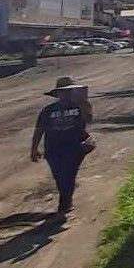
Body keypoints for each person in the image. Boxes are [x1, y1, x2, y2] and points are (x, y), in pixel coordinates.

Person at [30, 75, 93, 215]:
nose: (66, 94)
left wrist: (83, 102)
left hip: (75, 147)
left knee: (69, 175)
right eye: (63, 91)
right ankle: (66, 201)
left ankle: (63, 207)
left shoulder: (81, 106)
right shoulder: (48, 110)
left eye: (69, 91)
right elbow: (39, 129)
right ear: (57, 93)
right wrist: (34, 148)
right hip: (53, 149)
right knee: (59, 177)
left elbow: (88, 120)